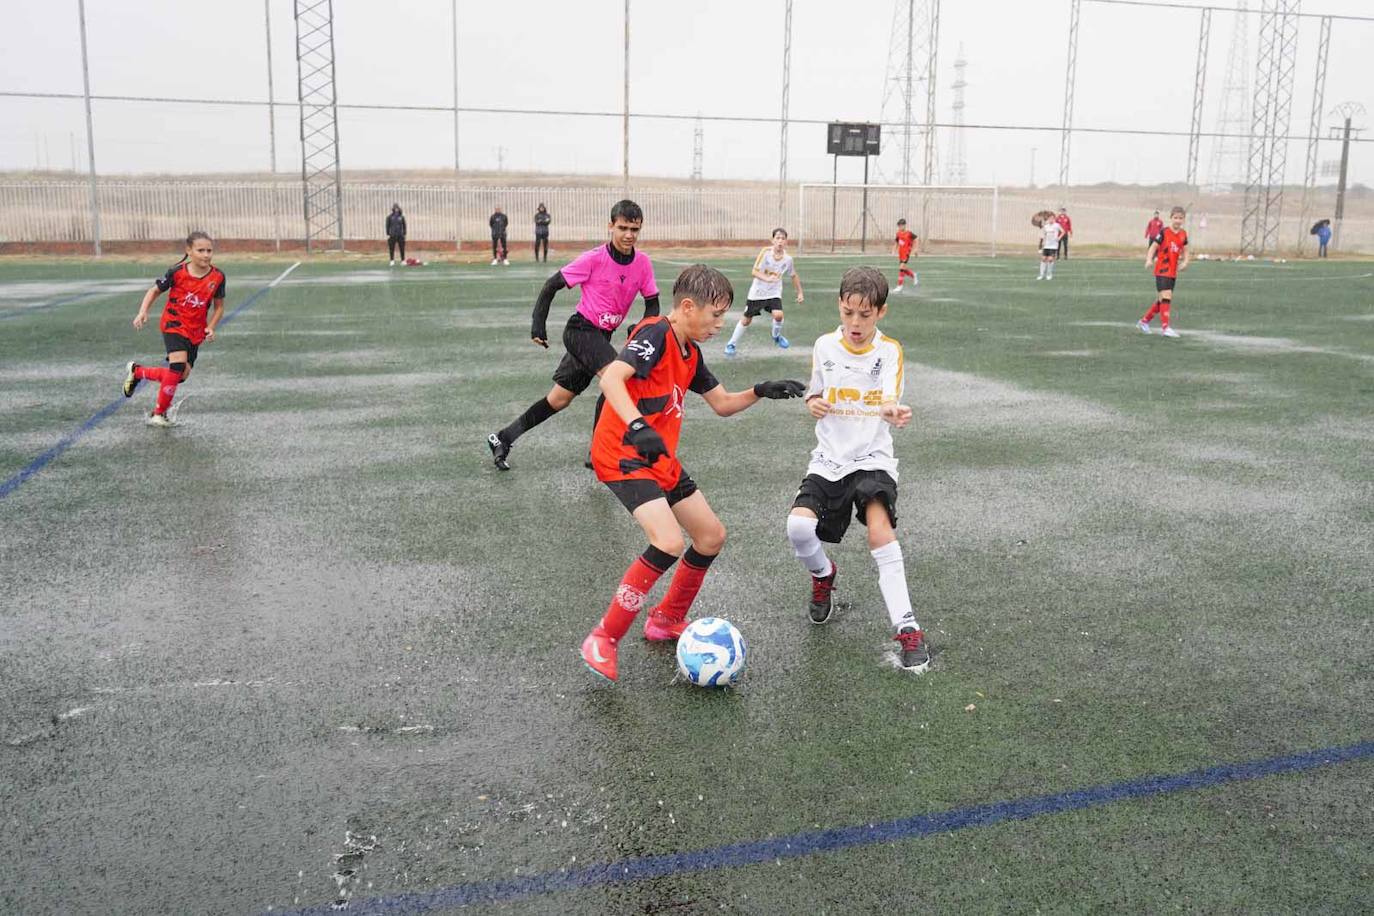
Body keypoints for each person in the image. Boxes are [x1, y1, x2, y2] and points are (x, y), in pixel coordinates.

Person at [579, 264, 806, 681]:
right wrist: (636, 425)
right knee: (666, 542)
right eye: (715, 315)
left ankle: (665, 620)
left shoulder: (691, 351)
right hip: (623, 454)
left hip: (659, 457)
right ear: (687, 307)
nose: (721, 324)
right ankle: (604, 638)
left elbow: (721, 404)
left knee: (710, 536)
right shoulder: (655, 334)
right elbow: (612, 379)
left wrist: (760, 390)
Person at [785, 265, 929, 673]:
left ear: (880, 313)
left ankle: (907, 626)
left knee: (881, 531)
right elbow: (814, 393)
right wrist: (811, 403)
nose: (855, 323)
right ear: (840, 306)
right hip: (829, 458)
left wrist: (893, 411)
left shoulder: (889, 351)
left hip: (872, 458)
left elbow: (888, 400)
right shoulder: (824, 346)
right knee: (797, 528)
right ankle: (823, 574)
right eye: (848, 312)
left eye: (865, 315)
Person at [486, 199, 660, 471]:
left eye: (634, 230)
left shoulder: (643, 263)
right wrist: (538, 325)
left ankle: (503, 437)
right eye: (623, 228)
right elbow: (551, 284)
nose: (629, 235)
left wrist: (644, 327)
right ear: (610, 226)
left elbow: (652, 301)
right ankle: (599, 451)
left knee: (559, 400)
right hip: (581, 331)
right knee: (617, 381)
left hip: (601, 338)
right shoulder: (593, 258)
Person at [120, 231, 226, 427]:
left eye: (209, 250)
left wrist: (211, 327)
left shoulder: (218, 277)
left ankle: (138, 372)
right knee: (176, 367)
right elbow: (154, 291)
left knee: (180, 376)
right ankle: (158, 414)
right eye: (200, 250)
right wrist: (142, 312)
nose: (205, 255)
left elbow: (219, 306)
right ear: (189, 251)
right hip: (174, 324)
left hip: (196, 331)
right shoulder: (177, 272)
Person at [723, 228, 803, 357]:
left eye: (783, 238)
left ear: (786, 242)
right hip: (758, 292)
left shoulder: (788, 259)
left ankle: (776, 336)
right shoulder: (765, 253)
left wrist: (800, 293)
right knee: (746, 320)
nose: (780, 241)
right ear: (772, 240)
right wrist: (767, 278)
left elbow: (793, 275)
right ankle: (731, 343)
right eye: (777, 238)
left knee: (778, 315)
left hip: (774, 293)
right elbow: (754, 272)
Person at [1138, 205, 1189, 339]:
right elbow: (1153, 246)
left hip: (1172, 272)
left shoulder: (1183, 234)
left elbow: (1186, 250)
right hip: (1162, 270)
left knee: (1162, 300)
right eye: (1175, 218)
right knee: (1166, 296)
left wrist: (1185, 262)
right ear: (1171, 218)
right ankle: (1165, 328)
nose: (1178, 220)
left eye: (1180, 218)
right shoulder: (1164, 232)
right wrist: (1149, 259)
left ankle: (1144, 321)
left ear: (1184, 219)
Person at [893, 218, 918, 292]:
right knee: (903, 268)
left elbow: (916, 239)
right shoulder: (898, 233)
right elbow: (897, 242)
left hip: (907, 253)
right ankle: (913, 275)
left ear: (904, 225)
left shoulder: (909, 233)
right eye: (899, 226)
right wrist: (894, 250)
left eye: (901, 225)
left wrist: (915, 249)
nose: (900, 227)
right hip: (901, 253)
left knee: (901, 268)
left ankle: (899, 286)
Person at [1037, 215, 1062, 280]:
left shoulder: (1057, 225)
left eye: (1052, 219)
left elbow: (1063, 231)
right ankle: (1041, 275)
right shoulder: (1046, 226)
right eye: (1049, 219)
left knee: (1050, 259)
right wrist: (1041, 245)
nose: (1051, 220)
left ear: (1054, 219)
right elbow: (1043, 235)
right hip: (1046, 245)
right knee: (1043, 259)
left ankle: (1049, 274)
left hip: (1053, 246)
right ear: (1048, 219)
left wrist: (1059, 238)